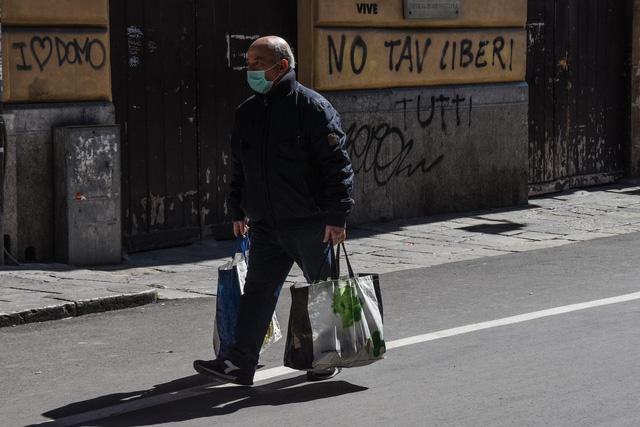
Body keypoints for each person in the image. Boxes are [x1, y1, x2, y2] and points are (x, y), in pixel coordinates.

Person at [193, 36, 354, 386]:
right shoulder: (247, 112)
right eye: (248, 61)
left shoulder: (312, 108)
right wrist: (238, 208)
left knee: (323, 292)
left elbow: (337, 166)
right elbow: (240, 166)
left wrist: (337, 216)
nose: (249, 68)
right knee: (256, 295)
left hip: (311, 224)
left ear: (281, 66)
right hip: (265, 225)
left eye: (257, 62)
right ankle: (239, 364)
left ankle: (326, 358)